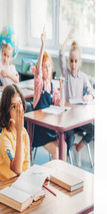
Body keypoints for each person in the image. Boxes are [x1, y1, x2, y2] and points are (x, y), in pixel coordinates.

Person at [59, 28, 95, 166]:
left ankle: (78, 148)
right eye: (71, 61)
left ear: (80, 62)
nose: (73, 64)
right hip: (68, 120)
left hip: (80, 119)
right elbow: (61, 53)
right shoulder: (66, 73)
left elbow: (92, 92)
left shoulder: (84, 77)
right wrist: (68, 37)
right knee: (69, 135)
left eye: (76, 61)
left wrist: (89, 96)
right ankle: (66, 159)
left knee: (93, 130)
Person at [32, 28, 66, 161]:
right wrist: (43, 45)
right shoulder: (39, 84)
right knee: (57, 151)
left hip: (49, 126)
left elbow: (61, 105)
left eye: (48, 66)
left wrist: (62, 89)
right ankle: (57, 178)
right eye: (44, 67)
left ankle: (63, 175)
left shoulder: (52, 86)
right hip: (39, 129)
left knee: (63, 145)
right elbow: (38, 68)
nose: (46, 69)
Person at [0, 84, 30, 182]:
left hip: (19, 182)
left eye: (20, 104)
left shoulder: (24, 133)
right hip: (5, 185)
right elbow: (17, 169)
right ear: (7, 112)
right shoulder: (5, 138)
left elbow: (26, 165)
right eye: (14, 107)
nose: (19, 109)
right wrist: (19, 133)